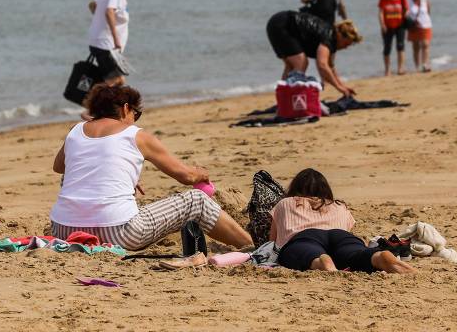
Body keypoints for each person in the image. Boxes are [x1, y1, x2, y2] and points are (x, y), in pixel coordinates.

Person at [49, 84, 253, 253]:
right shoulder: (136, 135)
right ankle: (253, 246)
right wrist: (202, 173)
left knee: (70, 173)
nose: (135, 120)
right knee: (196, 201)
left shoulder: (76, 131)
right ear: (126, 108)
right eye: (136, 115)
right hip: (118, 233)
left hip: (65, 232)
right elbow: (186, 176)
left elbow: (59, 167)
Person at [270, 168, 415, 274]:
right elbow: (346, 234)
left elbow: (273, 242)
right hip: (340, 236)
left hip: (305, 237)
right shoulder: (339, 206)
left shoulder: (285, 203)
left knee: (307, 254)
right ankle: (377, 257)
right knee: (356, 254)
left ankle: (321, 262)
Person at [266, 11, 362, 98]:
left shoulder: (332, 38)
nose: (345, 48)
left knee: (291, 66)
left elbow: (330, 67)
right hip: (282, 25)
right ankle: (290, 99)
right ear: (341, 35)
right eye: (346, 44)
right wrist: (338, 88)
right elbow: (322, 65)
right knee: (301, 62)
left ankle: (284, 100)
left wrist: (342, 86)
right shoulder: (328, 38)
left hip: (278, 22)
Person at [87, 0, 140, 86]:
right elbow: (109, 11)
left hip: (102, 44)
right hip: (106, 46)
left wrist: (99, 22)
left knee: (119, 81)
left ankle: (105, 100)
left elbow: (92, 5)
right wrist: (116, 39)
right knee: (113, 82)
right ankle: (94, 98)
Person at [378, 0, 409, 76]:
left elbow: (406, 10)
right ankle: (387, 70)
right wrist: (382, 24)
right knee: (387, 48)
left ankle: (400, 68)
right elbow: (381, 13)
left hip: (400, 26)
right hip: (387, 27)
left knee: (400, 47)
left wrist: (406, 15)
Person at [407, 0, 433, 72]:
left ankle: (425, 64)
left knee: (425, 44)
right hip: (414, 26)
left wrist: (424, 20)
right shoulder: (408, 1)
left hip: (425, 25)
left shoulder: (425, 1)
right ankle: (416, 67)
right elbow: (406, 14)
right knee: (416, 47)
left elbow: (428, 12)